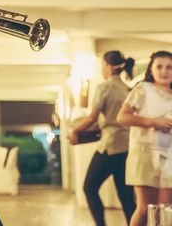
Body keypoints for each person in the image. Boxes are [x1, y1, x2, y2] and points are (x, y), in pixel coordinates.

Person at [68, 50, 136, 226]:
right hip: (127, 147)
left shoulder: (104, 87)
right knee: (126, 197)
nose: (101, 69)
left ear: (110, 66)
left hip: (110, 145)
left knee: (89, 188)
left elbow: (91, 118)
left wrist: (75, 130)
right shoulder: (128, 89)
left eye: (102, 65)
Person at [117, 50, 172, 226]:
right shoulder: (143, 89)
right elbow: (122, 117)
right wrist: (153, 122)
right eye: (160, 66)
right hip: (144, 154)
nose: (165, 71)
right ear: (151, 69)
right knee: (145, 208)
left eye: (169, 67)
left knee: (165, 209)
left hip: (169, 157)